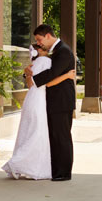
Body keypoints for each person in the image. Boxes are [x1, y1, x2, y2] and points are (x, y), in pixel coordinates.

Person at [2, 44, 76, 180]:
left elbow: (31, 84)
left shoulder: (33, 64)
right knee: (39, 133)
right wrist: (67, 75)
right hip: (41, 101)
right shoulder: (47, 62)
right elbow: (48, 83)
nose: (46, 48)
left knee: (29, 130)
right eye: (43, 47)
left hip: (31, 99)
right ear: (41, 51)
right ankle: (25, 163)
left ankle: (23, 162)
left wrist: (27, 74)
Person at [25, 24, 77, 181]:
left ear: (48, 36)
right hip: (54, 101)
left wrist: (32, 80)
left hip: (61, 101)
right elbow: (45, 70)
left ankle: (64, 173)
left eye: (40, 39)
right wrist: (27, 75)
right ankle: (56, 171)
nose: (39, 43)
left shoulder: (64, 51)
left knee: (62, 137)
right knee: (55, 136)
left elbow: (52, 73)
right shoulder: (57, 51)